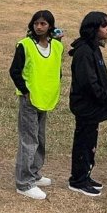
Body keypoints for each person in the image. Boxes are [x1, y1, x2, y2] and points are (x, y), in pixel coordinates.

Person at [9, 10, 63, 201]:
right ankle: (23, 182)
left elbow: (57, 68)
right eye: (36, 23)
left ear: (50, 26)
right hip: (30, 100)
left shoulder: (56, 46)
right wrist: (25, 90)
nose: (39, 27)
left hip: (46, 98)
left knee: (40, 138)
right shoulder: (25, 45)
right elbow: (15, 71)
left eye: (43, 24)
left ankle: (34, 172)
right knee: (28, 140)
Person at [67, 11, 107, 197]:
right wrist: (104, 96)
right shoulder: (84, 51)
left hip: (94, 107)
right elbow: (88, 81)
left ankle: (85, 174)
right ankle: (77, 179)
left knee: (90, 142)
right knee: (83, 142)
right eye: (104, 26)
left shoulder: (94, 49)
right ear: (93, 29)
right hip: (86, 106)